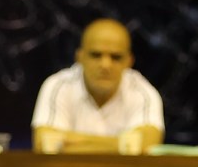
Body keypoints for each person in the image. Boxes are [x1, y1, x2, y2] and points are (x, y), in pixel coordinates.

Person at [31, 19, 164, 155]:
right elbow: (43, 145)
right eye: (96, 55)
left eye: (116, 57)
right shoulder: (58, 86)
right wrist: (124, 145)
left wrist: (66, 142)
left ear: (129, 61)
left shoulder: (144, 93)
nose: (105, 65)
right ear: (79, 57)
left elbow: (147, 147)